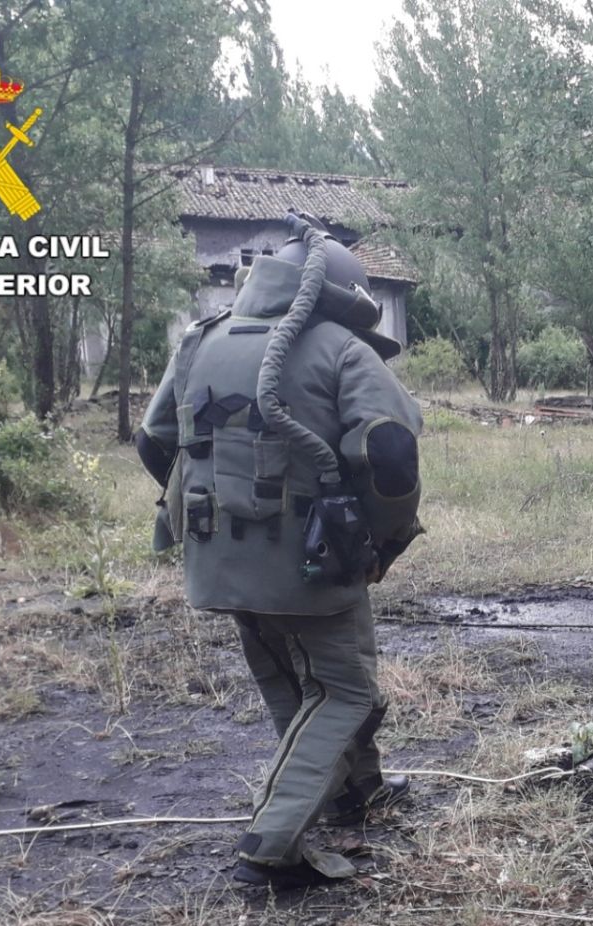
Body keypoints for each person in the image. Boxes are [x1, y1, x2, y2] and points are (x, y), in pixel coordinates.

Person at [135, 216, 423, 890]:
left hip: (217, 559)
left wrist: (215, 506)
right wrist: (379, 540)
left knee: (290, 682)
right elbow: (389, 453)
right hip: (311, 566)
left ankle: (357, 793)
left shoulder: (199, 341)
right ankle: (273, 845)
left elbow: (154, 442)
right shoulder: (339, 349)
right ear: (346, 297)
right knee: (345, 689)